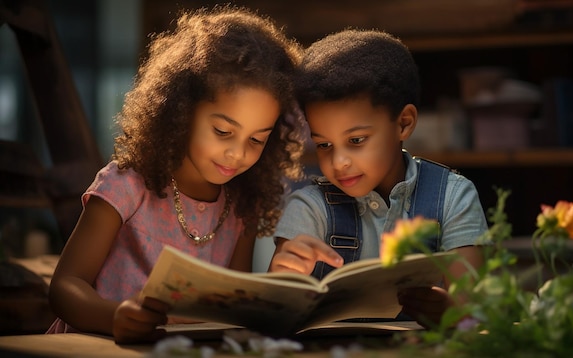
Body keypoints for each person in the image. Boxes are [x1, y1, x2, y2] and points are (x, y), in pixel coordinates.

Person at [47, 6, 305, 343]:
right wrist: (114, 317)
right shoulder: (126, 185)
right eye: (223, 131)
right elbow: (65, 287)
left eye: (257, 139)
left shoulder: (243, 205)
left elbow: (229, 308)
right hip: (97, 344)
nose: (238, 153)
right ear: (180, 111)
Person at [268, 29, 488, 329]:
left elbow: (475, 309)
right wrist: (282, 278)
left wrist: (452, 312)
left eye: (356, 140)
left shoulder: (452, 196)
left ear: (404, 123)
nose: (339, 162)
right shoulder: (309, 208)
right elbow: (276, 311)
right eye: (324, 145)